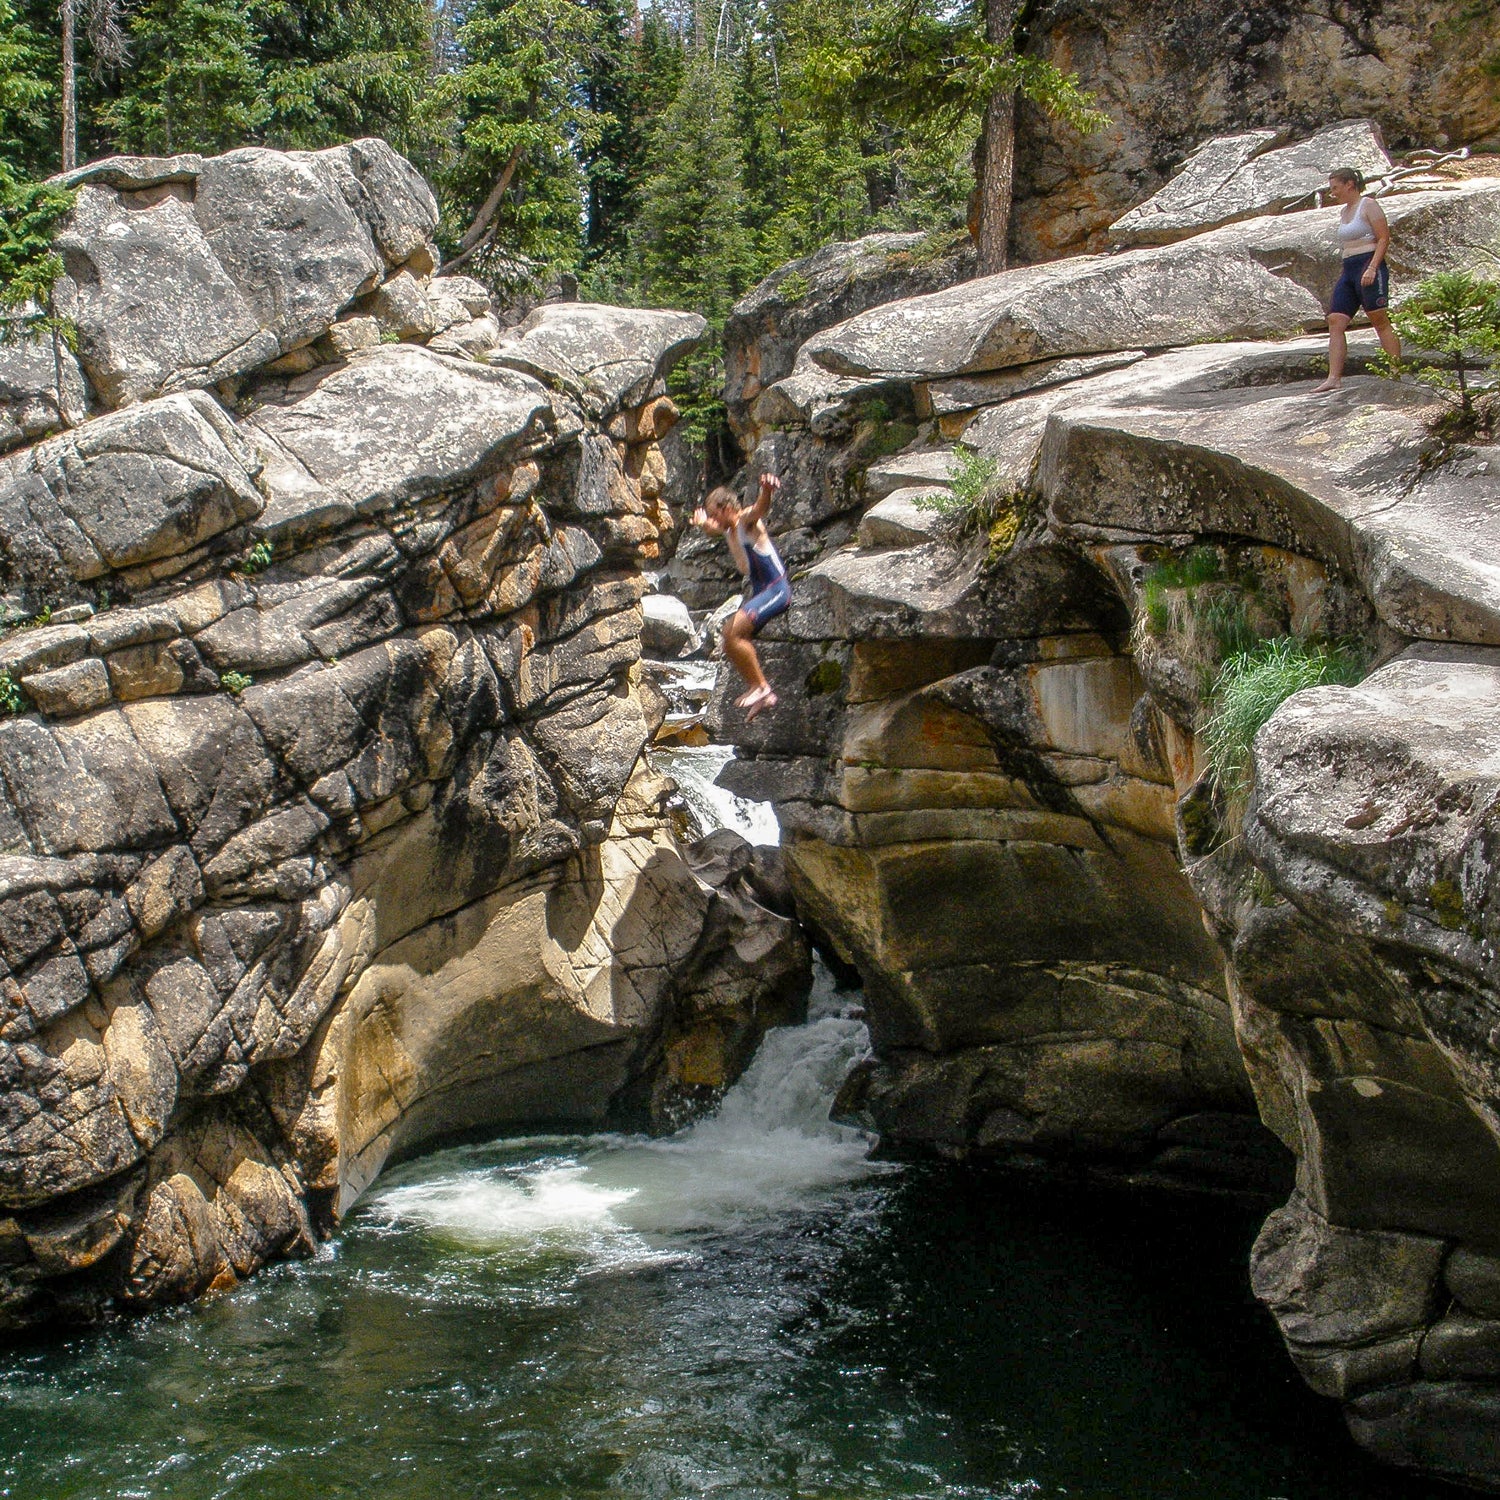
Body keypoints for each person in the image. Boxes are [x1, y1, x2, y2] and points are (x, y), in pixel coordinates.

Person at [692, 472, 789, 721]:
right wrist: (703, 522)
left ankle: (762, 688)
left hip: (776, 591)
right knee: (729, 643)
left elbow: (759, 509)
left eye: (714, 514)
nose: (713, 520)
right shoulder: (728, 529)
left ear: (726, 509)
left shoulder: (745, 522)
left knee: (730, 632)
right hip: (761, 592)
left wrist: (766, 490)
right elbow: (713, 529)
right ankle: (760, 692)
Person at [1312, 166, 1402, 394]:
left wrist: (1372, 267)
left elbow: (1383, 238)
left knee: (1378, 319)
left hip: (1368, 263)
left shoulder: (1368, 205)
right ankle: (1334, 378)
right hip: (1349, 267)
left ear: (1349, 184)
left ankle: (1396, 371)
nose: (1333, 192)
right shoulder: (1344, 211)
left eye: (1335, 187)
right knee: (1335, 320)